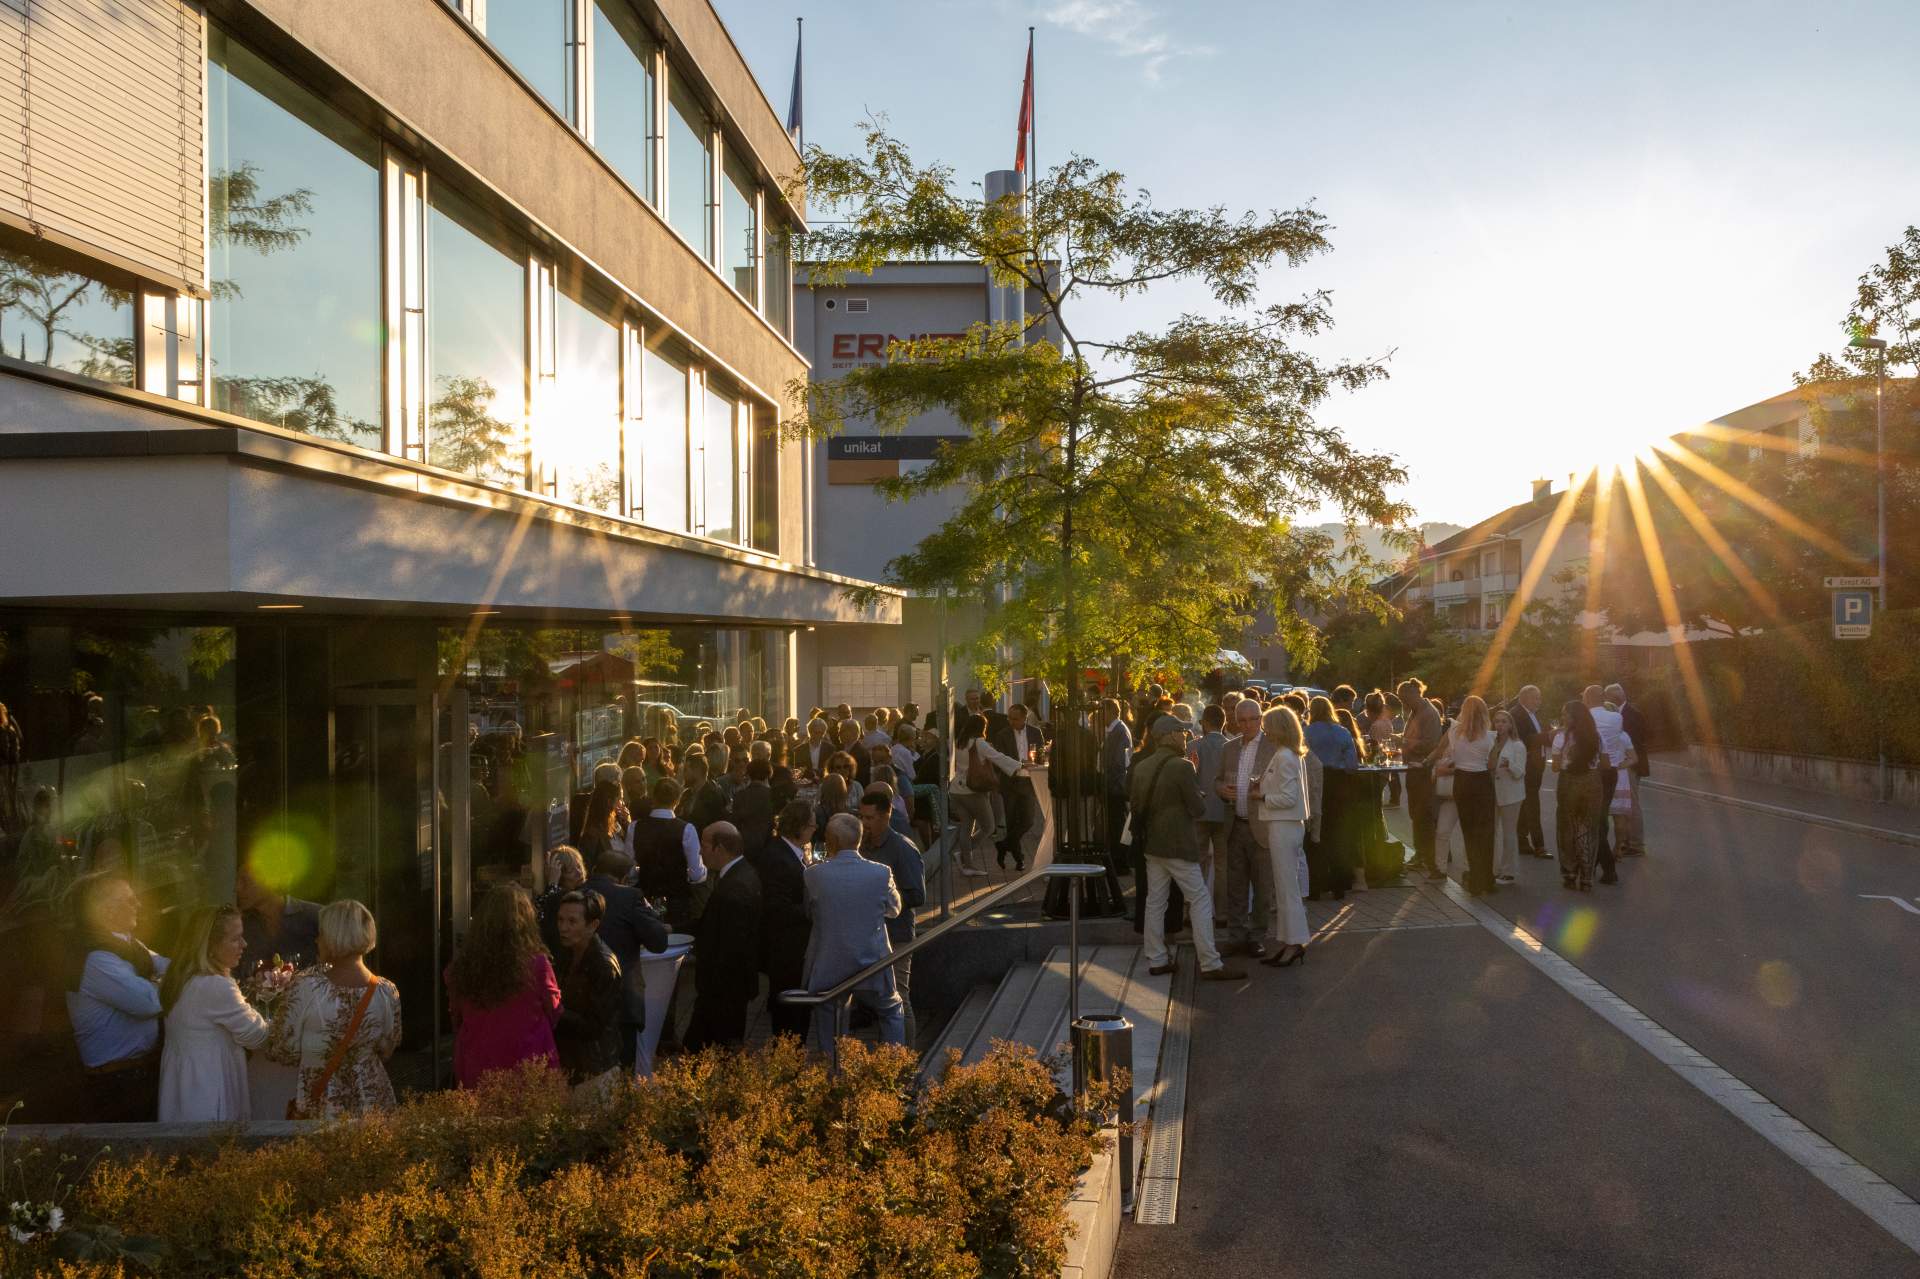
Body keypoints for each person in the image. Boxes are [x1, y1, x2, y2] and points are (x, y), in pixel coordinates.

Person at [1130, 716, 1244, 982]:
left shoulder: (1143, 765)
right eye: (1182, 731)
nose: (1186, 736)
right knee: (1200, 899)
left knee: (1155, 901)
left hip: (1152, 844)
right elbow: (1197, 809)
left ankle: (1156, 958)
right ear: (1169, 735)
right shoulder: (1182, 767)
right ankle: (1210, 962)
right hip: (1179, 844)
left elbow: (1136, 803)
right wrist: (1198, 793)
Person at [267, 900, 400, 1119]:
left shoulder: (306, 987)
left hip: (324, 1103)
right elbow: (387, 1047)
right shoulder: (386, 991)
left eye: (321, 933)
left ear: (332, 938)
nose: (317, 940)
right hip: (373, 1102)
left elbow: (282, 1048)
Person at [66, 873, 168, 1122]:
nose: (138, 905)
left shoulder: (131, 947)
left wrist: (155, 980)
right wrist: (156, 981)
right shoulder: (96, 958)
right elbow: (149, 1003)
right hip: (115, 1085)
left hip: (138, 1074)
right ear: (104, 910)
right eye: (129, 900)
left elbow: (173, 969)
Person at [802, 812, 906, 1049]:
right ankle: (895, 1064)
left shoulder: (814, 875)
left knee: (828, 1012)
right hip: (872, 961)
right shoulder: (881, 873)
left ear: (832, 842)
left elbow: (810, 912)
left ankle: (834, 1068)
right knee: (891, 1010)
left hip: (830, 963)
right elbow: (895, 910)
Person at [158, 904, 269, 1122]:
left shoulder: (179, 979)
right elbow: (257, 1037)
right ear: (210, 945)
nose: (244, 945)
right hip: (209, 1091)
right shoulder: (215, 986)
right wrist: (280, 1016)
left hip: (183, 1090)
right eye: (235, 939)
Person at [446, 883, 561, 1089]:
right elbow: (554, 1010)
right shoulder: (538, 965)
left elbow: (456, 1016)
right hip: (529, 1063)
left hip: (478, 1061)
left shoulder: (461, 968)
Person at [683, 823, 764, 1052]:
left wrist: (711, 988)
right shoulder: (741, 875)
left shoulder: (735, 887)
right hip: (727, 990)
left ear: (719, 848)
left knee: (705, 1053)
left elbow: (731, 946)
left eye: (704, 845)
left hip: (723, 991)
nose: (699, 851)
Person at [857, 786, 927, 1041]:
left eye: (870, 818)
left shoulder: (902, 848)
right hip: (873, 935)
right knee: (880, 999)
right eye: (861, 817)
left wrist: (885, 902)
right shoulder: (863, 845)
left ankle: (906, 1057)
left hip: (897, 935)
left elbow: (918, 895)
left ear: (886, 816)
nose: (864, 823)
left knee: (899, 997)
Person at [1212, 699, 1275, 959]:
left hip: (1260, 826)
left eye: (1253, 719)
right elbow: (1216, 779)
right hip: (1234, 825)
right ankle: (1236, 936)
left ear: (1261, 719)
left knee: (1262, 886)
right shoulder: (1228, 748)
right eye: (1242, 720)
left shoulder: (1273, 748)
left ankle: (1257, 936)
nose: (1248, 724)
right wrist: (1220, 789)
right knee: (1235, 886)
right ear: (1234, 721)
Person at [1253, 706, 1313, 968]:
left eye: (1268, 726)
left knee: (1287, 889)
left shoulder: (1285, 756)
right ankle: (1288, 941)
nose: (1265, 731)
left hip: (1284, 825)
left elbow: (1288, 798)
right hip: (1284, 825)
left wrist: (1262, 796)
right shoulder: (1286, 754)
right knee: (1285, 888)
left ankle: (1295, 942)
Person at [755, 800, 815, 1040]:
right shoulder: (777, 857)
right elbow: (777, 906)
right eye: (811, 825)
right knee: (789, 1016)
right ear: (799, 826)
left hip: (791, 946)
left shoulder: (787, 852)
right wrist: (811, 909)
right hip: (785, 948)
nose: (815, 828)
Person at [551, 889, 622, 1087]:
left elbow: (594, 1025)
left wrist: (555, 1009)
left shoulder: (603, 965)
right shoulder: (566, 953)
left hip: (595, 1070)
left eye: (572, 922)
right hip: (570, 1065)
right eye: (560, 920)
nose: (563, 928)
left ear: (592, 926)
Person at [631, 776, 709, 928]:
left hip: (644, 897)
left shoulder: (635, 827)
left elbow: (629, 868)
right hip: (677, 901)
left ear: (653, 797)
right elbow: (696, 874)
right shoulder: (687, 829)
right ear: (677, 800)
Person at [950, 712, 1019, 878]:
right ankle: (964, 856)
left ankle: (968, 864)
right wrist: (1018, 766)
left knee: (966, 826)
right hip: (972, 790)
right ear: (982, 728)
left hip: (955, 789)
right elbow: (998, 757)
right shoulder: (979, 743)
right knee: (989, 826)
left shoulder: (957, 742)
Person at [1303, 697, 1357, 900]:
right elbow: (1352, 765)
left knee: (1314, 835)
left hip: (1314, 784)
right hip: (1337, 784)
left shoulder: (1305, 733)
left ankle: (1314, 886)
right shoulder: (1342, 732)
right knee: (1337, 833)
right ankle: (1339, 885)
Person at [235, 863, 321, 983]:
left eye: (245, 881)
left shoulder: (315, 917)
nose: (238, 888)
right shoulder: (240, 927)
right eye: (237, 880)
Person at [1447, 695, 1498, 896]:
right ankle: (1487, 879)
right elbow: (1492, 764)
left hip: (1461, 781)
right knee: (1486, 832)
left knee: (1469, 832)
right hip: (1482, 781)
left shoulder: (1453, 732)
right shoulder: (1490, 736)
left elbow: (1451, 756)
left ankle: (1475, 878)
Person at [1553, 701, 1605, 892]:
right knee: (1590, 828)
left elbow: (1555, 767)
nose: (1563, 717)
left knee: (1566, 826)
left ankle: (1569, 872)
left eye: (1565, 714)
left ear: (1574, 716)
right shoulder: (1596, 737)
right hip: (1592, 781)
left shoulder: (1560, 738)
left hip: (1569, 781)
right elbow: (1605, 763)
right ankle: (1587, 876)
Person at [991, 703, 1045, 870]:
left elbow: (1041, 755)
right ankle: (1019, 859)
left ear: (1024, 718)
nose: (1011, 721)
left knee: (1028, 820)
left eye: (1015, 718)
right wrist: (1016, 765)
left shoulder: (1035, 733)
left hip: (1029, 781)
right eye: (1009, 718)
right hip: (1010, 782)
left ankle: (1004, 845)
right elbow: (999, 760)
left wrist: (1035, 762)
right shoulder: (1002, 735)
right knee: (1012, 822)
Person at [1585, 685, 1629, 885]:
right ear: (1602, 698)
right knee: (1601, 817)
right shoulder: (1617, 718)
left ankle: (1607, 867)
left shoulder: (1585, 717)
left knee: (1593, 821)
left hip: (1593, 771)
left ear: (1587, 698)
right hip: (1611, 771)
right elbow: (1616, 739)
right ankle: (1594, 863)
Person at [1399, 678, 1442, 874]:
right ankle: (1421, 854)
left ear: (1413, 695)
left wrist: (1405, 741)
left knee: (1423, 814)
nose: (1402, 703)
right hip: (1414, 770)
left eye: (1403, 699)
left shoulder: (1429, 713)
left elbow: (1432, 744)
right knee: (1416, 813)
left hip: (1423, 771)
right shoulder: (1417, 711)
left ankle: (1427, 857)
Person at [1191, 704, 1231, 892]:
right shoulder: (1233, 746)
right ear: (1223, 723)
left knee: (1198, 864)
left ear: (1205, 723)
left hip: (1199, 811)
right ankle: (1221, 913)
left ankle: (1193, 910)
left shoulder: (1193, 746)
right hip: (1224, 812)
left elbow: (1190, 778)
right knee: (1222, 866)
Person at [1508, 685, 1551, 857]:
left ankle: (1522, 841)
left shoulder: (1532, 714)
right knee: (1533, 805)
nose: (1539, 701)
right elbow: (1521, 740)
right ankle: (1539, 845)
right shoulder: (1517, 714)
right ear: (1524, 697)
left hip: (1535, 766)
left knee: (1526, 805)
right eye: (1536, 698)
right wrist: (1547, 736)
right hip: (1526, 767)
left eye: (1539, 698)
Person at [1610, 682, 1651, 857]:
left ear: (1613, 698)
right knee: (1623, 804)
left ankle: (1636, 843)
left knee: (1632, 803)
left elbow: (1637, 739)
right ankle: (1626, 841)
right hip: (1624, 763)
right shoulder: (1619, 713)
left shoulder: (1632, 714)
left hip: (1630, 765)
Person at [1491, 708, 1528, 886]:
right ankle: (1492, 868)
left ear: (1511, 724)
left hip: (1511, 794)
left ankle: (1509, 871)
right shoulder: (1491, 741)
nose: (1500, 724)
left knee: (1509, 834)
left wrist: (1509, 764)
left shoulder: (1517, 745)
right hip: (1492, 792)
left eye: (1504, 721)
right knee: (1492, 832)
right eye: (1497, 721)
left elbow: (1520, 773)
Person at [1097, 698, 1134, 870]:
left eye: (1102, 711)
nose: (1099, 715)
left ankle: (1120, 863)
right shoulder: (1113, 730)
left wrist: (1105, 779)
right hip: (1113, 785)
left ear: (1111, 711)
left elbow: (1120, 762)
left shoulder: (1119, 731)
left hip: (1116, 786)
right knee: (1114, 824)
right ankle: (1117, 860)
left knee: (1117, 824)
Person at [729, 760, 778, 857]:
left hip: (745, 848)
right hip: (768, 847)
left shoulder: (739, 796)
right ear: (768, 774)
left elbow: (735, 822)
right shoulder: (773, 795)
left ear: (749, 774)